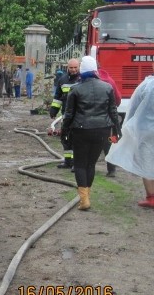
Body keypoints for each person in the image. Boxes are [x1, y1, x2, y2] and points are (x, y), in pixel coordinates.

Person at [61, 56, 121, 210]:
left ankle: (84, 199)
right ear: (95, 70)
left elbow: (69, 114)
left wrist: (64, 131)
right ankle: (87, 195)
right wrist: (117, 130)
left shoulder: (76, 90)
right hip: (102, 130)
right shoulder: (107, 88)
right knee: (91, 164)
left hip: (81, 130)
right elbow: (113, 112)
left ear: (82, 71)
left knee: (80, 164)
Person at [106, 61, 154, 208]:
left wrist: (128, 127)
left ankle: (151, 197)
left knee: (146, 161)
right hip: (146, 130)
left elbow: (133, 108)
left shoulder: (146, 85)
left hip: (145, 131)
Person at [49, 59, 81, 169]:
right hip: (66, 115)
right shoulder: (62, 79)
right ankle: (68, 162)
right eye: (71, 67)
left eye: (75, 67)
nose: (73, 70)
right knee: (65, 138)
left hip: (79, 115)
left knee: (77, 139)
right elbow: (58, 97)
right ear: (68, 67)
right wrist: (53, 110)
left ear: (79, 67)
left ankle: (76, 162)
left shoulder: (82, 79)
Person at [97, 64, 122, 176]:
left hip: (93, 118)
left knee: (92, 143)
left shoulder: (86, 81)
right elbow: (118, 99)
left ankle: (87, 166)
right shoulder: (110, 81)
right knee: (109, 142)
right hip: (109, 119)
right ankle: (111, 169)